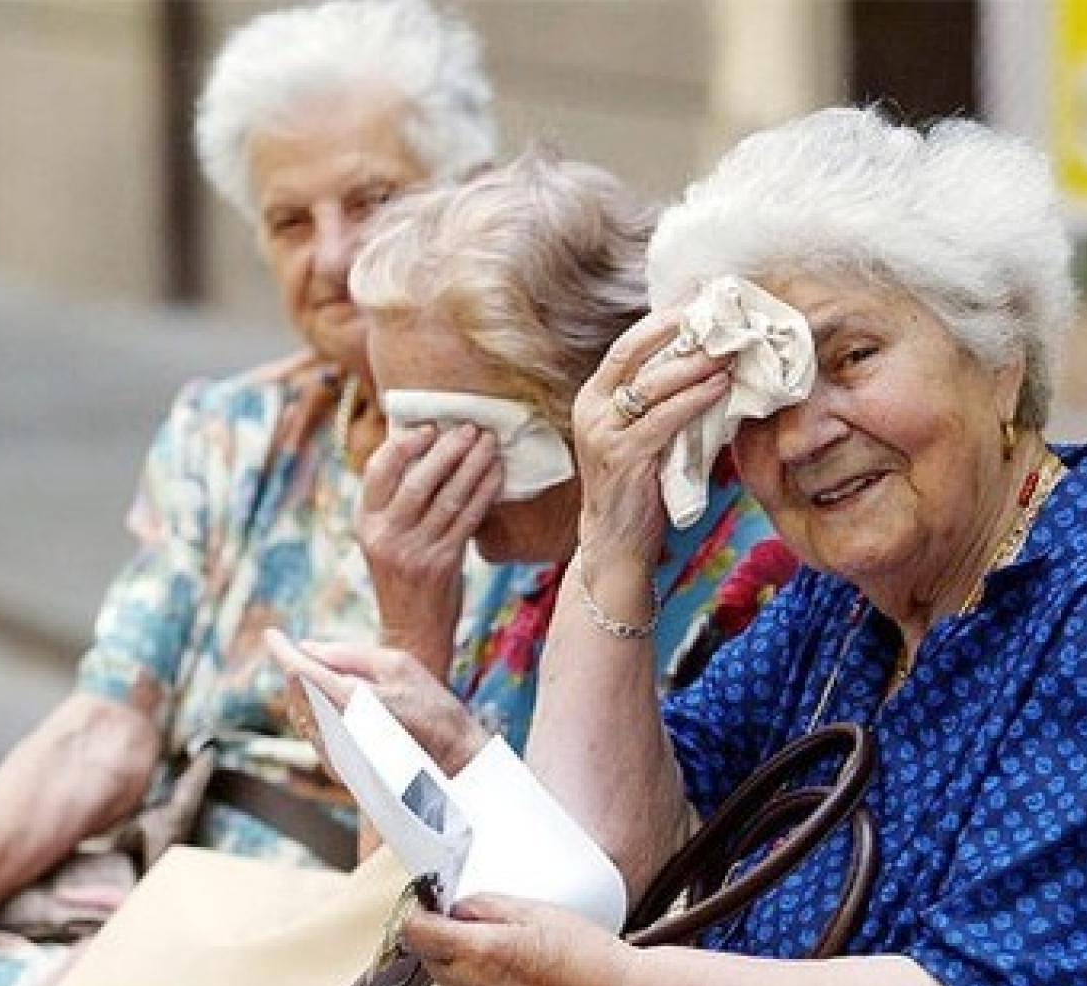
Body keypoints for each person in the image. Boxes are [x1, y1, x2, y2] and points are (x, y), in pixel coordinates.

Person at [318, 109, 1087, 986]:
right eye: (755, 398)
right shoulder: (841, 610)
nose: (799, 436)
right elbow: (608, 861)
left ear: (998, 358)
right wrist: (613, 537)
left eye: (852, 358)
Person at [0, 2, 497, 986]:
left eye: (371, 201)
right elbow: (108, 724)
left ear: (462, 201)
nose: (330, 257)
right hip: (157, 886)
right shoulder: (234, 429)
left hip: (340, 936)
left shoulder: (531, 471)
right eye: (290, 220)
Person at [291, 149, 782, 774]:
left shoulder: (756, 582)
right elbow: (400, 873)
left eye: (454, 431)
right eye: (400, 425)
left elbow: (619, 864)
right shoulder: (530, 549)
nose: (414, 466)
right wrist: (411, 638)